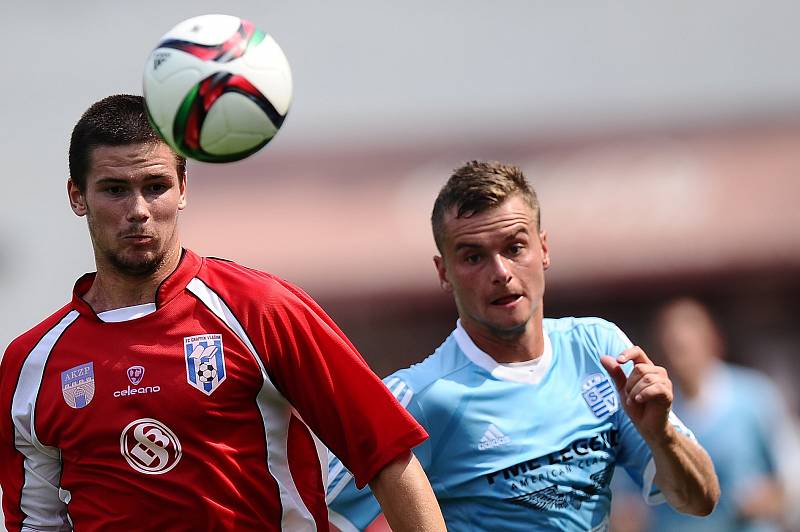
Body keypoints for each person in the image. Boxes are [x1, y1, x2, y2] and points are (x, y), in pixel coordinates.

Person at [0, 94, 446, 532]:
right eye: (115, 190)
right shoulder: (31, 364)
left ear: (183, 190)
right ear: (77, 197)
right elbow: (37, 522)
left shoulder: (261, 309)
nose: (138, 211)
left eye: (155, 187)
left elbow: (387, 456)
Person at [327, 160, 720, 531]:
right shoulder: (417, 399)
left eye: (514, 248)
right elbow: (317, 517)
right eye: (473, 257)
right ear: (444, 272)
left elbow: (700, 500)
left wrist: (661, 436)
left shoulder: (600, 350)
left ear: (543, 249)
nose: (500, 273)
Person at [639, 297, 800, 532]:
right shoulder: (654, 411)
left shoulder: (754, 397)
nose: (677, 357)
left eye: (684, 347)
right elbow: (636, 491)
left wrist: (773, 497)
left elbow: (791, 471)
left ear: (713, 342)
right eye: (669, 347)